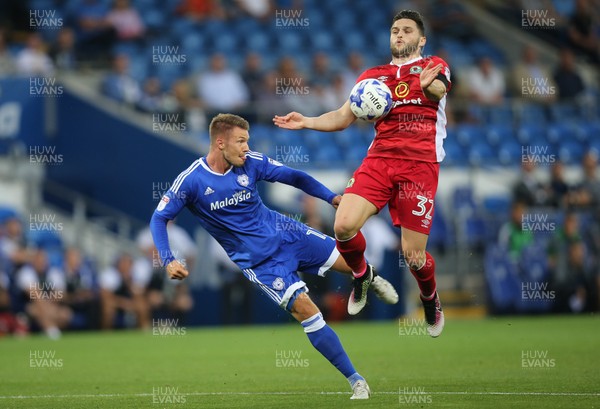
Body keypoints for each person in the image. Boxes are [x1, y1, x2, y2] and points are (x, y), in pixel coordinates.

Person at [150, 113, 399, 399]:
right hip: (262, 262)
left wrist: (330, 197)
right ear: (220, 143)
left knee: (349, 260)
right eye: (240, 141)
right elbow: (159, 219)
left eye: (247, 141)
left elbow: (294, 176)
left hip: (288, 233)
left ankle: (368, 279)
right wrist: (168, 258)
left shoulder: (251, 162)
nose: (246, 147)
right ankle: (356, 380)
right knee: (308, 311)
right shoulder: (191, 181)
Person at [274, 10, 448, 337]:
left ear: (421, 39)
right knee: (342, 226)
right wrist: (307, 121)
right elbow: (343, 116)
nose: (399, 35)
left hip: (419, 166)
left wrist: (429, 87)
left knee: (413, 257)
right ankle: (362, 274)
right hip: (380, 160)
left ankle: (429, 297)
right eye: (395, 30)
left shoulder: (433, 66)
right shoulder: (373, 76)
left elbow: (440, 90)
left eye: (407, 31)